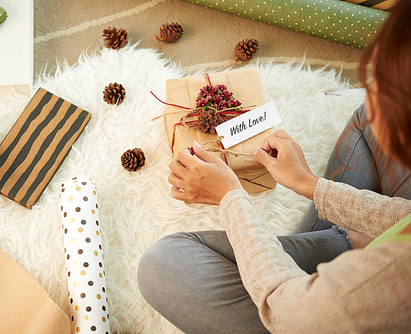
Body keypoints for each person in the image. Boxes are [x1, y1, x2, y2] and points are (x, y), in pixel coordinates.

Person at [137, 0, 411, 332]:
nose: (368, 91)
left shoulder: (387, 281)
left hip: (307, 313)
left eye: (378, 85)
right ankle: (339, 243)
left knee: (162, 265)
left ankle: (328, 252)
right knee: (366, 119)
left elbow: (285, 310)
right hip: (375, 252)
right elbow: (406, 217)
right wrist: (309, 184)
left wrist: (230, 197)